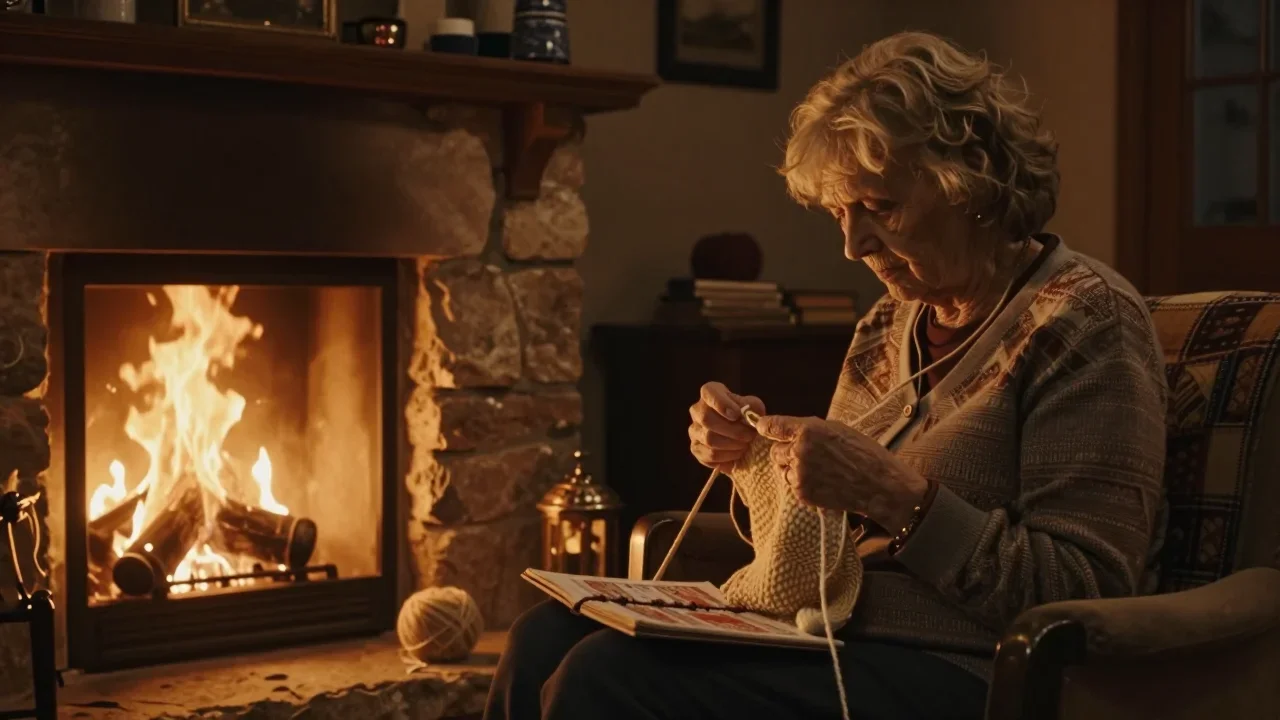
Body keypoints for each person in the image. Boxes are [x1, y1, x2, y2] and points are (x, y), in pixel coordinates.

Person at [483, 30, 1167, 720]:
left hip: (965, 670)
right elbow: (824, 537)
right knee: (542, 638)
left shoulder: (1085, 322)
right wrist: (757, 467)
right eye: (841, 213)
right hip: (826, 636)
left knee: (608, 677)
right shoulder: (886, 325)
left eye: (879, 207)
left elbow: (1088, 592)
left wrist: (900, 498)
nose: (853, 245)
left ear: (973, 184)